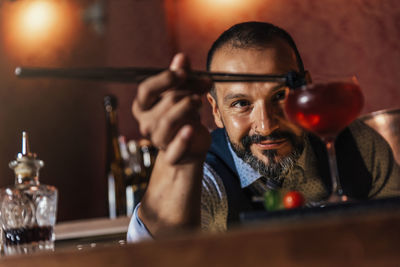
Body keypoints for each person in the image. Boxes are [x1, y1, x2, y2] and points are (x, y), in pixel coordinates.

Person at [127, 21, 400, 241]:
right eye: (241, 104)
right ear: (215, 110)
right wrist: (181, 165)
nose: (266, 125)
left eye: (280, 96)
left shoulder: (363, 148)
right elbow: (153, 254)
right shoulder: (206, 176)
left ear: (305, 87)